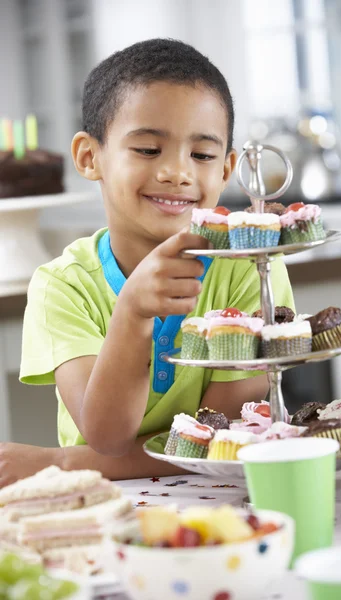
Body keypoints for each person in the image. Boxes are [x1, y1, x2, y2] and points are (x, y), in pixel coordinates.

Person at [0, 39, 294, 487]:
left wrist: (60, 461)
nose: (177, 172)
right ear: (88, 156)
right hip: (101, 512)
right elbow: (107, 437)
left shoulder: (251, 268)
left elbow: (225, 441)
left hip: (227, 504)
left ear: (226, 168)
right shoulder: (62, 286)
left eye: (202, 155)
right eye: (148, 150)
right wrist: (133, 311)